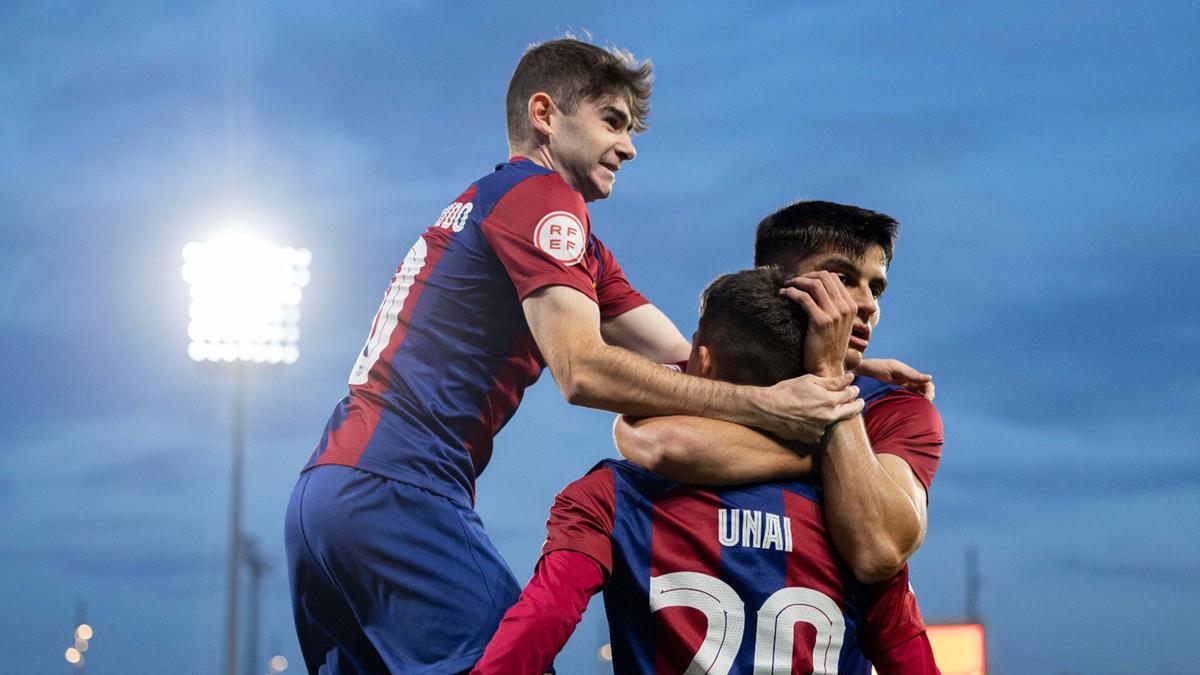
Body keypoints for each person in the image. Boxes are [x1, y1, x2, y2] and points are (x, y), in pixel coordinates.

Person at [284, 40, 870, 673]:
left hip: (327, 496)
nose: (629, 146)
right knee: (515, 662)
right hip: (398, 490)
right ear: (545, 114)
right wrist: (767, 405)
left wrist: (839, 365)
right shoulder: (542, 200)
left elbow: (693, 359)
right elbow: (583, 370)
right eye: (611, 121)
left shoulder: (536, 220)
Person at [471, 268, 939, 674]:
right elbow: (910, 660)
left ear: (704, 360)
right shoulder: (851, 520)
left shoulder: (608, 497)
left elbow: (536, 630)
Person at [616, 201, 942, 585]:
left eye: (876, 288)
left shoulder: (897, 406)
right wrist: (838, 463)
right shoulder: (718, 371)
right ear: (774, 281)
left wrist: (830, 371)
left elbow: (879, 550)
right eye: (842, 278)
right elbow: (659, 441)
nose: (867, 304)